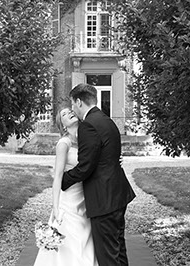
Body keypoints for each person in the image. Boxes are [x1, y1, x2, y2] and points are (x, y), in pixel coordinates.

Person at [61, 83, 136, 266]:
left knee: (107, 257)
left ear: (79, 102)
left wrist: (63, 180)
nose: (72, 109)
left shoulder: (88, 125)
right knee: (119, 251)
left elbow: (86, 167)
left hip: (104, 199)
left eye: (72, 105)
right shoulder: (107, 121)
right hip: (118, 195)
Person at [33, 107, 98, 266]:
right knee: (71, 241)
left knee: (86, 239)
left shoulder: (84, 140)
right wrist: (55, 207)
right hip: (68, 200)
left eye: (70, 110)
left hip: (84, 197)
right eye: (64, 114)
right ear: (62, 125)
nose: (69, 112)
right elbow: (57, 178)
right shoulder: (64, 143)